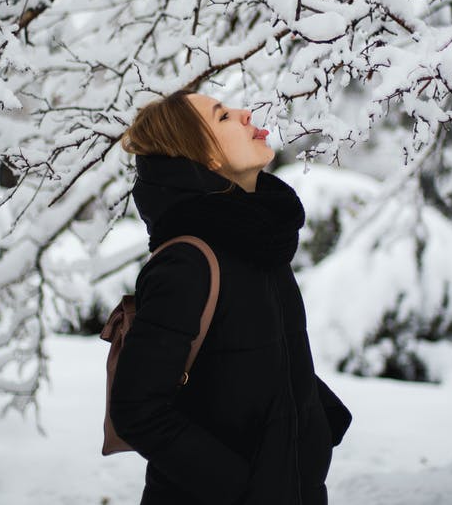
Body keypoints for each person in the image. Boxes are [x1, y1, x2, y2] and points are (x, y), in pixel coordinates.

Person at [110, 89, 352, 505]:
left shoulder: (259, 243)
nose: (244, 114)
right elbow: (136, 409)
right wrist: (241, 486)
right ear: (206, 159)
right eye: (222, 118)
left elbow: (253, 359)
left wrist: (317, 417)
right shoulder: (188, 261)